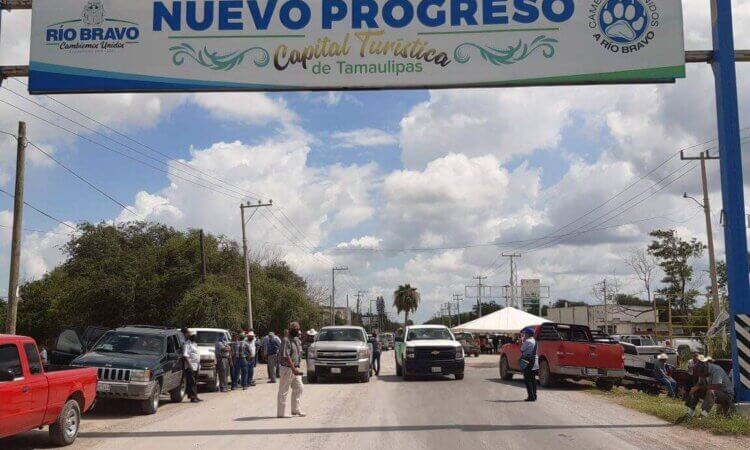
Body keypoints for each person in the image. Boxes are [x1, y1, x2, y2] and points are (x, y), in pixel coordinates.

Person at [277, 321, 304, 418]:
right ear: (291, 329)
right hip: (287, 368)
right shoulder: (286, 340)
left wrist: (296, 367)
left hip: (295, 368)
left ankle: (295, 410)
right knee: (283, 390)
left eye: (298, 329)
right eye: (296, 329)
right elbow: (286, 356)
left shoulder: (296, 339)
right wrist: (293, 369)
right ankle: (281, 413)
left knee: (299, 387)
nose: (298, 330)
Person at [181, 328, 202, 403]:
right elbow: (185, 356)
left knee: (195, 381)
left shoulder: (195, 344)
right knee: (192, 382)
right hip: (190, 366)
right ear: (191, 336)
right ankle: (193, 397)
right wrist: (190, 366)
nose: (195, 337)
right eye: (194, 336)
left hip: (196, 365)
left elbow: (197, 355)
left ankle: (194, 396)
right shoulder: (187, 344)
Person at [519, 327, 538, 402]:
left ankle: (531, 397)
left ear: (528, 334)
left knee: (528, 379)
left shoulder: (527, 341)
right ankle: (534, 395)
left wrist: (522, 341)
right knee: (533, 379)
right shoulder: (534, 341)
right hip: (534, 361)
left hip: (528, 361)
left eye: (525, 333)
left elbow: (521, 349)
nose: (524, 335)